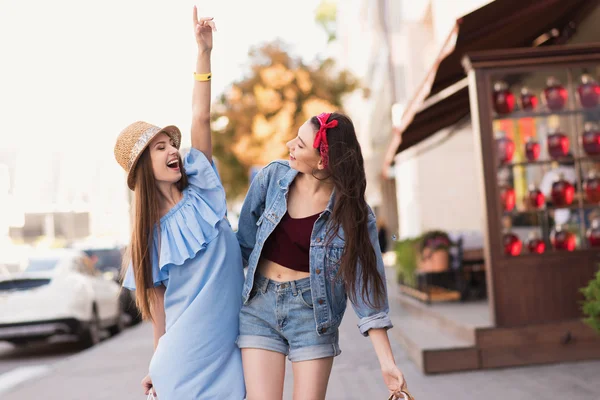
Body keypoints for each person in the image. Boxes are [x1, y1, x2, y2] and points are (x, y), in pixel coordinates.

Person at [114, 9, 245, 399]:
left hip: (231, 344)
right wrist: (156, 366)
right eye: (160, 148)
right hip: (184, 360)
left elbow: (200, 118)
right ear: (144, 169)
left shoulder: (203, 189)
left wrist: (203, 53)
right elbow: (160, 317)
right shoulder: (147, 238)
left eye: (170, 143)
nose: (172, 149)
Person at [236, 112, 408, 400]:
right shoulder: (272, 178)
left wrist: (387, 362)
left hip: (313, 316)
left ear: (322, 161)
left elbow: (365, 287)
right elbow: (243, 245)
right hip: (259, 306)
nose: (289, 143)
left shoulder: (353, 213)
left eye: (300, 144)